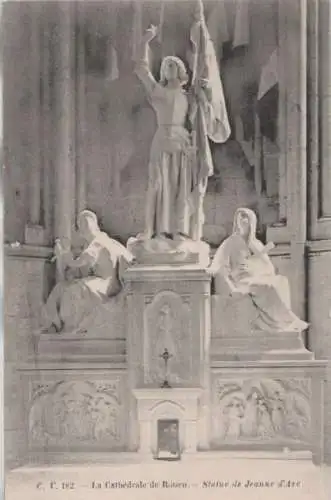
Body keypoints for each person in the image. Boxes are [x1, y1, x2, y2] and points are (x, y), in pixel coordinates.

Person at [134, 21, 230, 241]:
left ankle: (179, 230)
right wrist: (144, 41)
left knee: (179, 188)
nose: (169, 68)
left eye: (173, 65)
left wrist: (204, 87)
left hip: (182, 143)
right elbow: (141, 68)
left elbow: (201, 113)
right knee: (157, 185)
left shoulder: (189, 96)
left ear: (181, 70)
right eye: (166, 65)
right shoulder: (156, 92)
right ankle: (153, 230)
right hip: (161, 140)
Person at [209, 208, 308, 333]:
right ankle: (287, 321)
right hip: (241, 281)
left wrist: (256, 263)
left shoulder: (256, 244)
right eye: (240, 218)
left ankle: (283, 322)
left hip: (257, 277)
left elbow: (269, 269)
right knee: (267, 286)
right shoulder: (230, 242)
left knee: (281, 281)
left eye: (245, 218)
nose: (242, 221)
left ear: (252, 223)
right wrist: (232, 289)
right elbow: (219, 268)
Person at [40, 210, 134, 333]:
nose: (84, 229)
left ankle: (69, 328)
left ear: (93, 226)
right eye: (82, 225)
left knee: (76, 289)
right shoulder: (105, 241)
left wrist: (64, 254)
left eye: (85, 225)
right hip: (104, 282)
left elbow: (78, 263)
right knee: (61, 287)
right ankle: (53, 324)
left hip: (107, 284)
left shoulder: (98, 242)